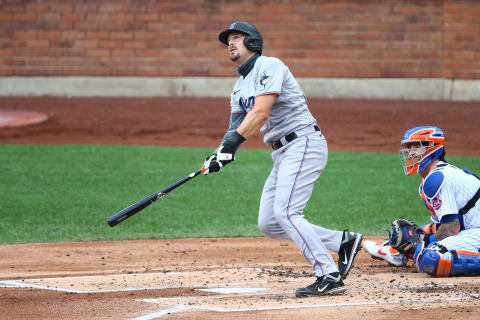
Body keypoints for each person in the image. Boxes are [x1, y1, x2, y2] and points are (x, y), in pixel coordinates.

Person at [201, 21, 363, 296]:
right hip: (283, 152)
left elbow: (261, 113)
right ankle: (342, 241)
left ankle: (329, 274)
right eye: (228, 39)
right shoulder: (239, 87)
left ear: (252, 42)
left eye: (236, 37)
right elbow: (235, 127)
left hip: (303, 143)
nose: (230, 43)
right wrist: (219, 154)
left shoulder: (269, 66)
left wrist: (230, 145)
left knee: (287, 212)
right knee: (270, 222)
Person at [363, 126, 480, 276]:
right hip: (473, 229)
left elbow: (452, 228)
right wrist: (419, 236)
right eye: (408, 147)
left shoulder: (437, 178)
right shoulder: (430, 179)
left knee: (429, 258)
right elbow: (444, 224)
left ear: (433, 148)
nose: (410, 152)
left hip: (475, 231)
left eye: (416, 147)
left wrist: (426, 240)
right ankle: (394, 251)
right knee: (418, 234)